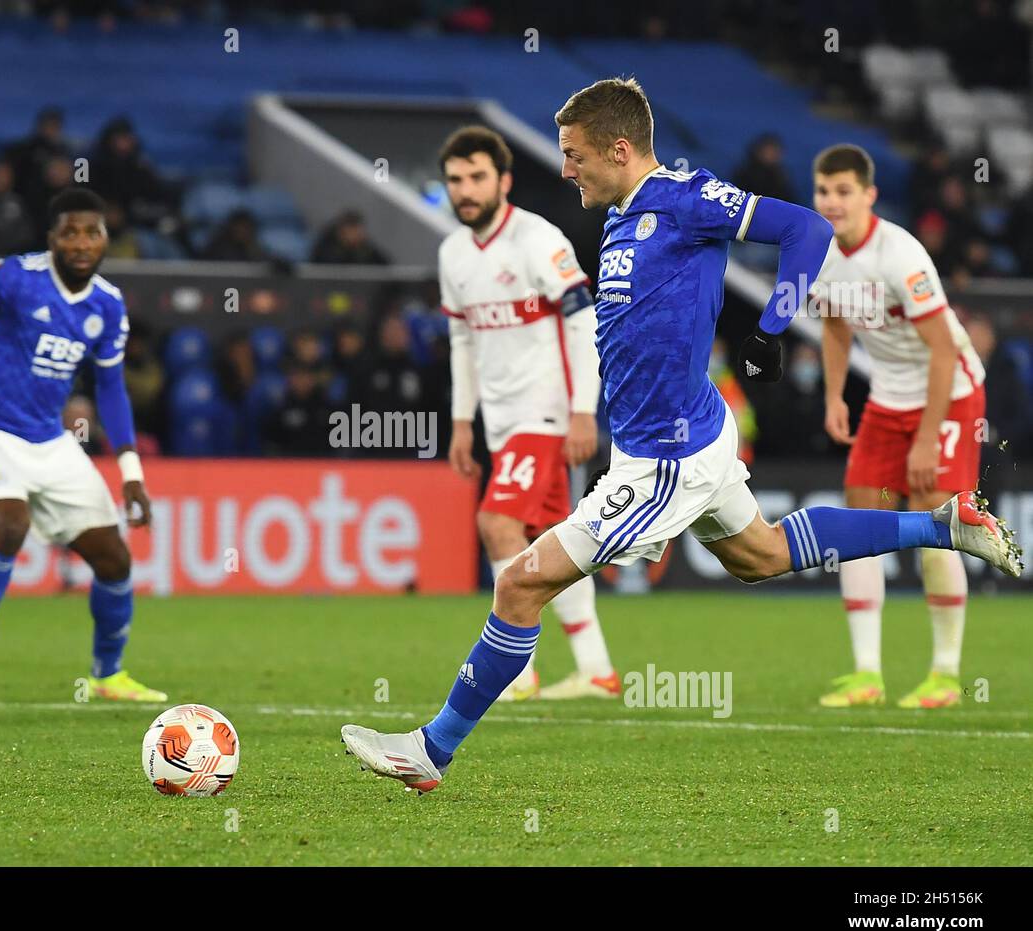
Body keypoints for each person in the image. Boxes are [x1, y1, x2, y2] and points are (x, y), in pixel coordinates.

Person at [340, 78, 1023, 793]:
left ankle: (432, 748)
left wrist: (770, 325)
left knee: (519, 582)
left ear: (621, 148)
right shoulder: (623, 215)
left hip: (668, 456)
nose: (566, 167)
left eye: (575, 155)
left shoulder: (683, 198)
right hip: (674, 435)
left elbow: (806, 230)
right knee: (761, 553)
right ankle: (943, 525)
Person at [0, 187, 164, 704]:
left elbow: (110, 388)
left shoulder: (107, 305)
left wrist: (131, 472)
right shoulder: (19, 276)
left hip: (48, 438)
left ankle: (108, 676)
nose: (82, 243)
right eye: (70, 232)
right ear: (52, 238)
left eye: (93, 232)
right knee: (9, 524)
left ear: (107, 238)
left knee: (114, 559)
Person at [437, 124, 617, 701]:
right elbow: (462, 342)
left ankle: (516, 669)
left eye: (477, 178)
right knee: (551, 543)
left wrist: (583, 412)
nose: (465, 190)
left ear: (503, 181)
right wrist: (463, 423)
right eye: (455, 180)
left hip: (546, 415)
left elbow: (581, 320)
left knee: (496, 523)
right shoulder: (453, 254)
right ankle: (596, 669)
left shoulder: (538, 239)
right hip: (500, 423)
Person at [812, 143, 988, 709]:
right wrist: (836, 395)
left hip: (950, 394)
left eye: (843, 191)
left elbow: (943, 352)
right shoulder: (818, 253)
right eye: (823, 191)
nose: (831, 202)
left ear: (869, 195)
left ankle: (944, 675)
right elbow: (836, 326)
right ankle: (867, 675)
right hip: (887, 399)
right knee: (858, 523)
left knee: (936, 521)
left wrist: (927, 437)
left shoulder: (900, 255)